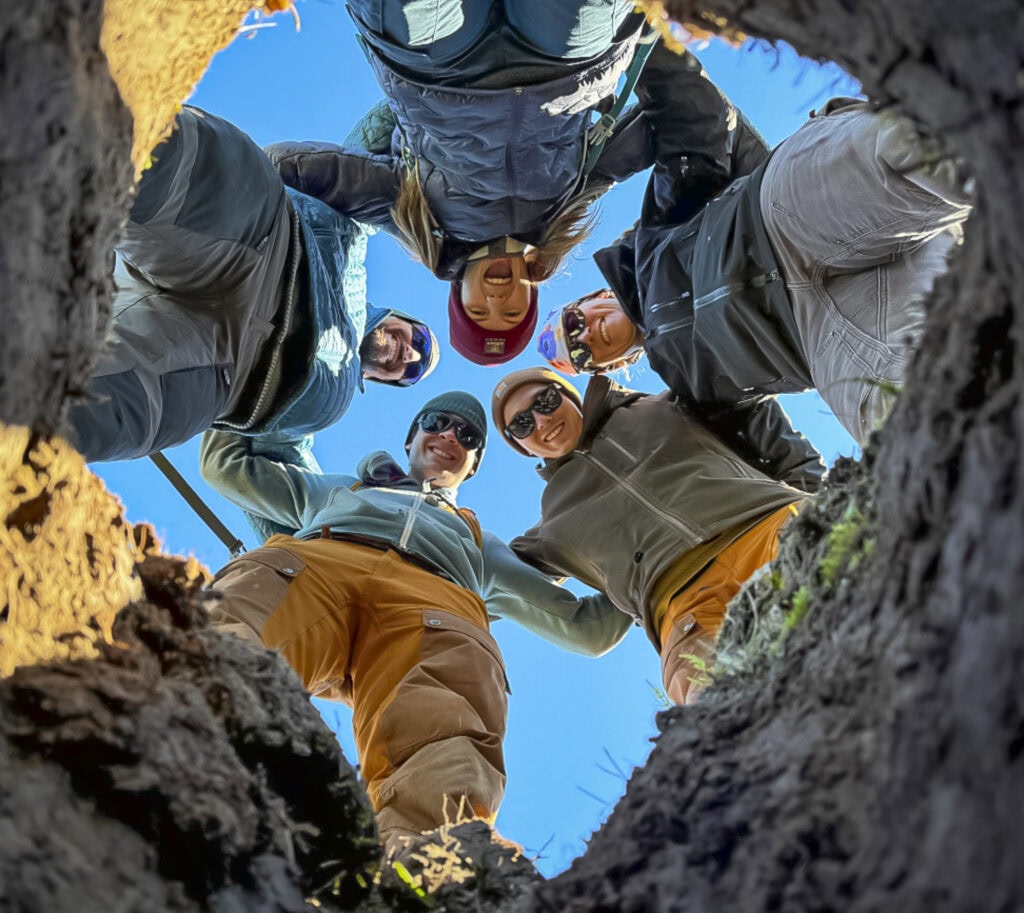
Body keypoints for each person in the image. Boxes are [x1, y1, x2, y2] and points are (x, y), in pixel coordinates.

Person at [199, 391, 631, 869]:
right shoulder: (341, 489)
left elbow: (587, 628)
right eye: (437, 421)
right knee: (224, 648)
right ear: (412, 437)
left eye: (467, 436)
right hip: (321, 563)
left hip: (436, 603)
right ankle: (172, 753)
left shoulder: (481, 544)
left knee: (445, 755)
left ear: (473, 466)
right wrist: (312, 380)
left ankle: (427, 877)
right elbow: (227, 463)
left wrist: (648, 558)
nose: (449, 435)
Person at [266, 3, 768, 364]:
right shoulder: (568, 207)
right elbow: (672, 126)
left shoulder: (411, 213)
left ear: (456, 290)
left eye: (479, 310)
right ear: (532, 293)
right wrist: (642, 36)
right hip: (570, 66)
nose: (497, 300)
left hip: (435, 73)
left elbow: (295, 168)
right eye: (510, 313)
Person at [536, 97, 974, 444]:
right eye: (581, 355)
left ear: (593, 299)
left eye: (574, 324)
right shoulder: (687, 392)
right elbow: (775, 454)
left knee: (913, 150)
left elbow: (691, 115)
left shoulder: (650, 240)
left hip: (780, 221)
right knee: (915, 437)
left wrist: (571, 195)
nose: (586, 337)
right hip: (819, 340)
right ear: (607, 367)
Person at [68, 106, 439, 463]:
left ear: (382, 380)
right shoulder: (356, 237)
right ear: (398, 317)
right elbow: (379, 135)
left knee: (96, 413)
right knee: (160, 160)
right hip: (265, 241)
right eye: (420, 339)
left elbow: (283, 487)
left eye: (413, 372)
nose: (411, 355)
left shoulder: (320, 414)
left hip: (232, 372)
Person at [493, 367, 814, 705]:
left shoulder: (659, 405)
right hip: (687, 607)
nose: (541, 421)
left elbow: (749, 399)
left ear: (569, 396)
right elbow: (481, 578)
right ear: (523, 447)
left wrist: (808, 481)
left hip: (767, 528)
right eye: (522, 424)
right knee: (727, 716)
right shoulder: (550, 528)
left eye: (545, 401)